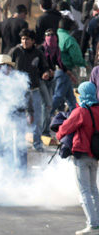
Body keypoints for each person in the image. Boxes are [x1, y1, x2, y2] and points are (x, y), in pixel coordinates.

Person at [56, 82, 99, 235]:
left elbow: (65, 128)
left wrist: (58, 135)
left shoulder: (81, 111)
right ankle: (97, 222)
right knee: (94, 189)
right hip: (95, 155)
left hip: (81, 154)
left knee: (84, 191)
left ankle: (93, 225)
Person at [0, 54, 33, 175]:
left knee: (18, 143)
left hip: (18, 115)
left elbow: (27, 96)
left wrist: (30, 112)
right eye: (1, 66)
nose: (4, 69)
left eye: (6, 66)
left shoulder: (18, 78)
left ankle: (20, 170)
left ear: (10, 67)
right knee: (8, 143)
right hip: (3, 116)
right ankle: (11, 169)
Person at [8, 29, 50, 152]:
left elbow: (44, 67)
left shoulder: (38, 53)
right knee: (18, 118)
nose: (24, 41)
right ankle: (17, 142)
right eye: (22, 39)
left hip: (33, 90)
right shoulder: (15, 51)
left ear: (33, 41)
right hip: (18, 91)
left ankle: (37, 143)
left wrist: (46, 73)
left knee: (36, 118)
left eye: (27, 39)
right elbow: (6, 67)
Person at [39, 28, 76, 137]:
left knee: (49, 105)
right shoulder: (41, 49)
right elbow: (39, 64)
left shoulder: (56, 49)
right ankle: (43, 131)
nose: (50, 37)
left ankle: (45, 129)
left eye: (52, 35)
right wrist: (46, 71)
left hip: (51, 79)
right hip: (42, 80)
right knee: (46, 105)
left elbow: (59, 63)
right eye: (47, 34)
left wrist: (70, 74)